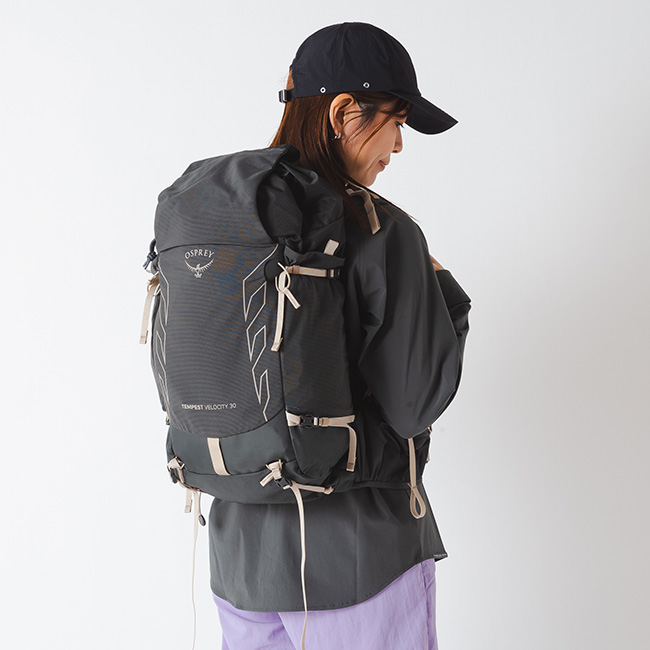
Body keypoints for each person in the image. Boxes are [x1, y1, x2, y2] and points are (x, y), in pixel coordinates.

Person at [209, 22, 471, 650]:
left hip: (240, 557)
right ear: (344, 112)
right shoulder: (384, 232)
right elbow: (415, 403)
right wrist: (445, 293)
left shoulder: (225, 220)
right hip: (360, 556)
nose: (399, 145)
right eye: (395, 121)